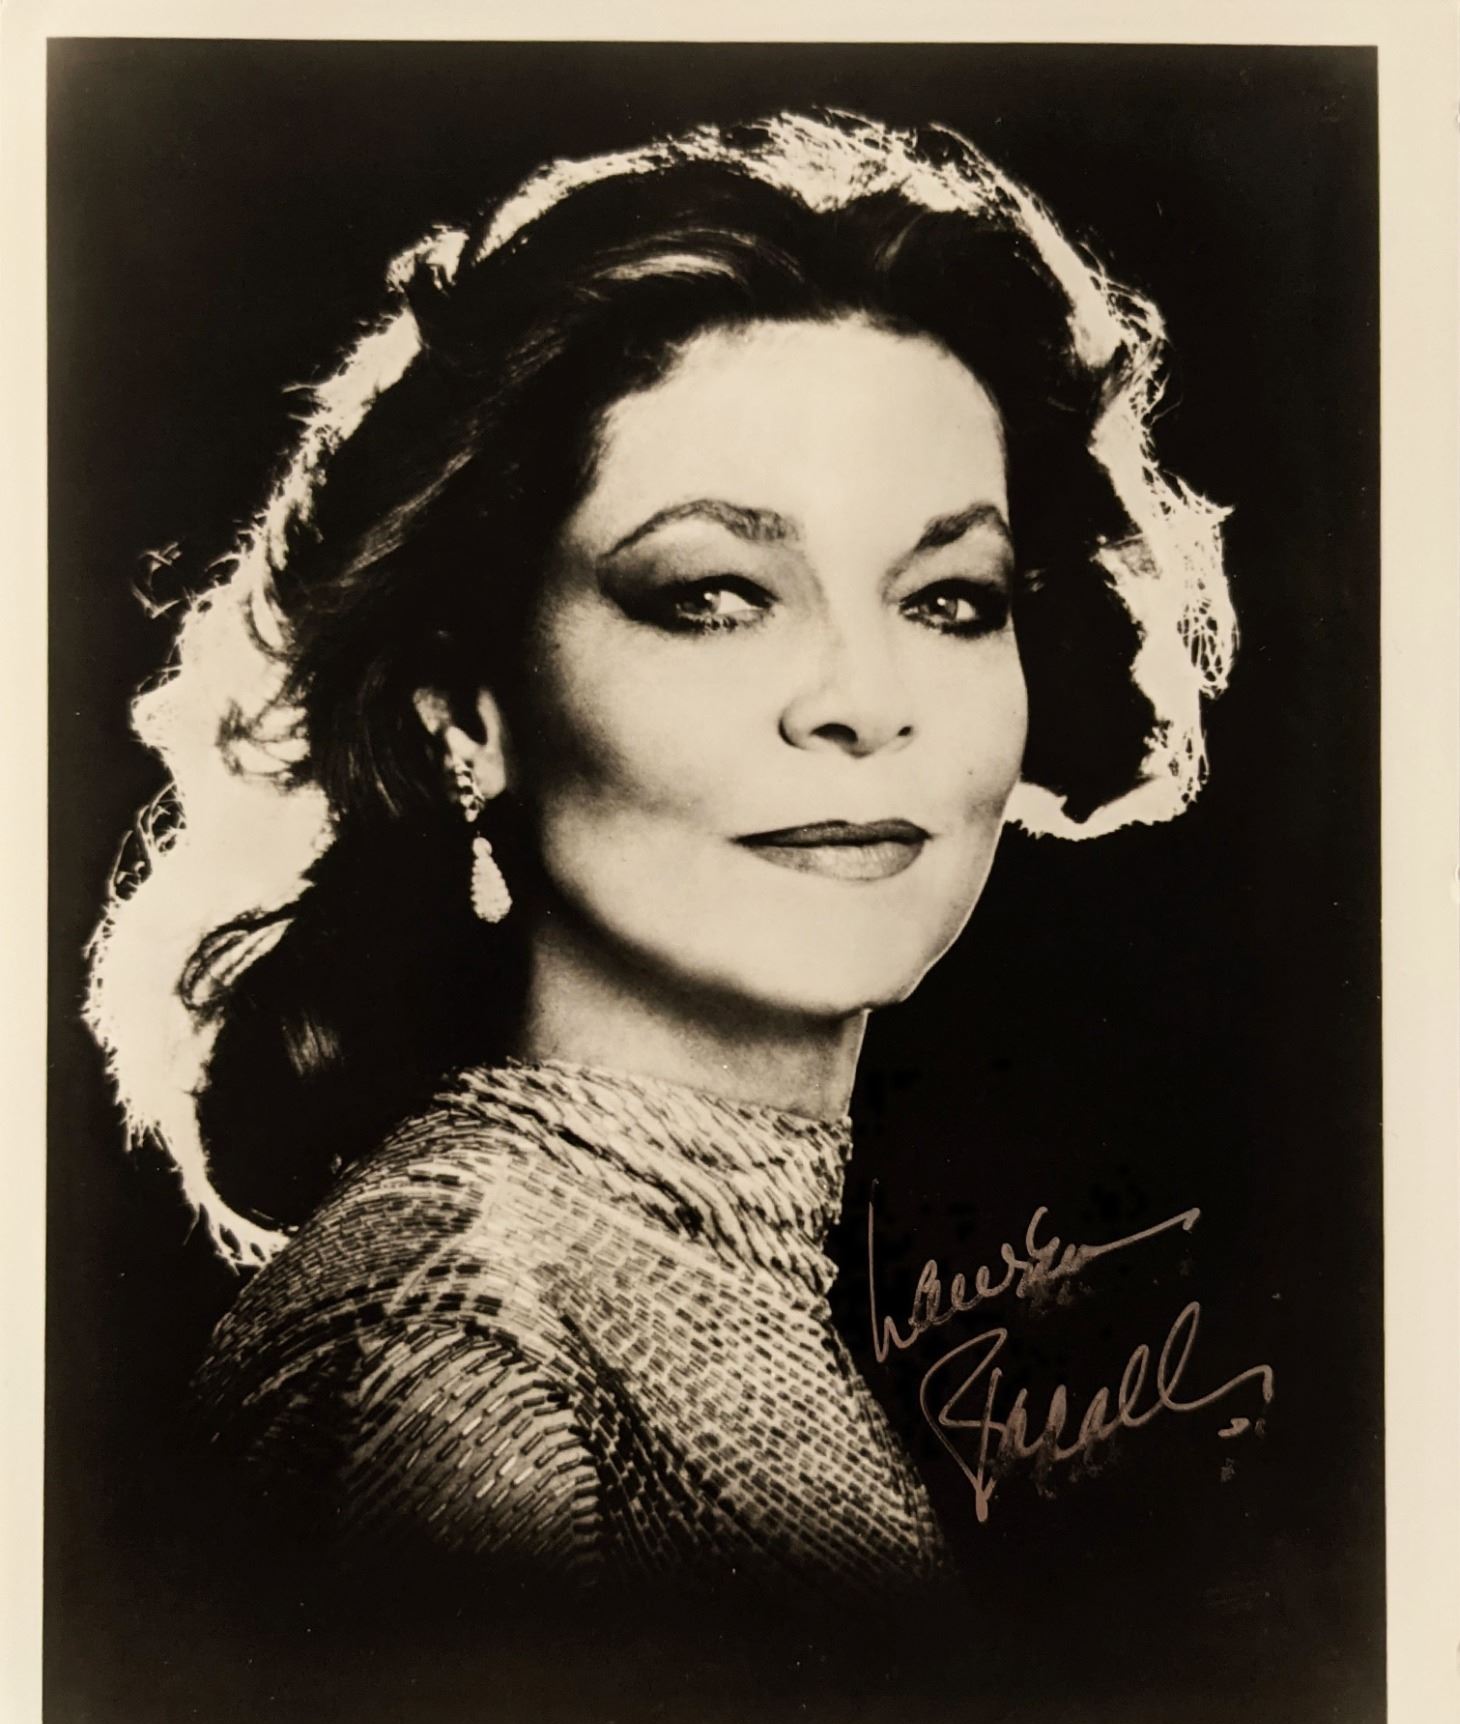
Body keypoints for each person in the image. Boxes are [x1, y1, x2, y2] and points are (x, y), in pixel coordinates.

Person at [85, 110, 1234, 1619]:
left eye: (951, 599)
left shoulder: (672, 1287)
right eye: (712, 595)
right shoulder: (454, 1343)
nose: (862, 701)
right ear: (468, 713)